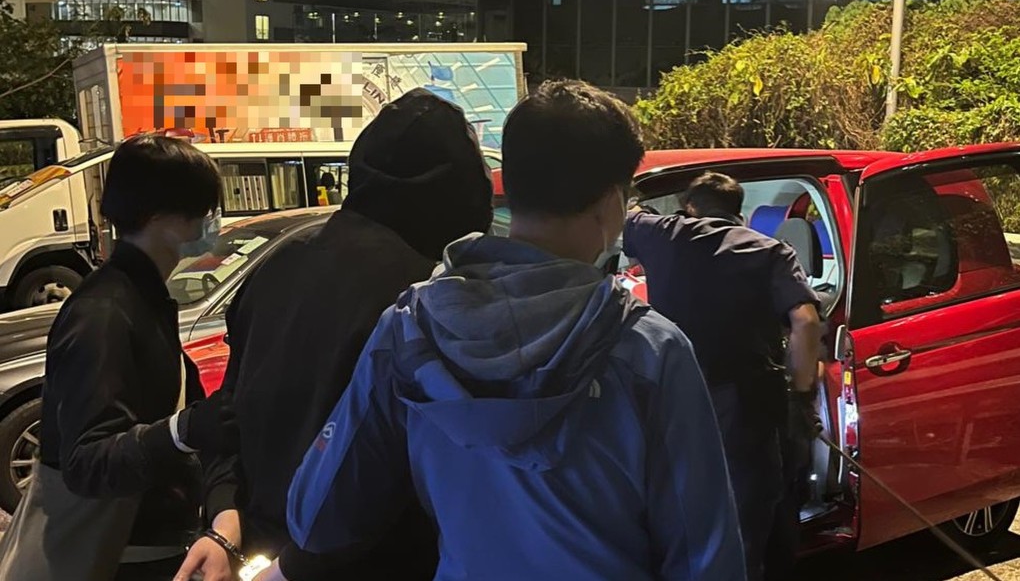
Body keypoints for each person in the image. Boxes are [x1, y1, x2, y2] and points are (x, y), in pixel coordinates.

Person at [264, 80, 745, 581]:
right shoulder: (650, 349)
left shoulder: (409, 329)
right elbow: (704, 556)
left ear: (508, 185)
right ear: (611, 203)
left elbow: (318, 517)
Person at [174, 88, 495, 581]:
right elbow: (410, 474)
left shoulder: (279, 263)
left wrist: (224, 518)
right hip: (370, 563)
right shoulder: (428, 292)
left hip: (257, 553)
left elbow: (229, 414)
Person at [0, 135, 236, 581]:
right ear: (157, 217)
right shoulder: (104, 312)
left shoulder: (141, 297)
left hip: (150, 549)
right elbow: (87, 461)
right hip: (115, 560)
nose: (212, 222)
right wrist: (183, 431)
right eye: (202, 210)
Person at [623, 171, 823, 581]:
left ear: (690, 208)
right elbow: (805, 322)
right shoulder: (770, 251)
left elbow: (628, 212)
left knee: (681, 514)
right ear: (741, 212)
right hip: (747, 407)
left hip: (677, 404)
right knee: (751, 523)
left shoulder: (662, 233)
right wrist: (801, 399)